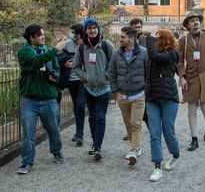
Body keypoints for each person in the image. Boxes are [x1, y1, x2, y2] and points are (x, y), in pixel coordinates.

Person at [17, 24, 67, 175]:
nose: (43, 37)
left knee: (54, 130)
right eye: (40, 35)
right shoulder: (24, 52)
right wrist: (55, 50)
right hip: (29, 101)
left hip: (49, 99)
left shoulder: (46, 51)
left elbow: (57, 68)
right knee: (28, 134)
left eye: (43, 34)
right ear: (31, 37)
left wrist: (55, 76)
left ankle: (57, 152)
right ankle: (27, 162)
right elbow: (35, 62)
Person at [72, 18, 115, 161]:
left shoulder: (106, 44)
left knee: (100, 117)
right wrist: (85, 77)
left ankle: (97, 147)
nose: (92, 30)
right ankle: (95, 143)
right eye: (89, 28)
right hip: (88, 88)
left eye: (94, 27)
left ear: (98, 29)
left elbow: (115, 62)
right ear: (86, 30)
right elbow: (76, 66)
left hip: (104, 88)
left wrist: (107, 75)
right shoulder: (82, 46)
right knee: (91, 117)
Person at [177, 12, 205, 152]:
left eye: (197, 20)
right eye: (192, 21)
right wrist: (182, 77)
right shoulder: (183, 41)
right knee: (191, 110)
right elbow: (179, 62)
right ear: (188, 25)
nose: (196, 23)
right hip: (191, 78)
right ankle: (194, 139)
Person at [108, 26, 148, 166]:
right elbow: (111, 72)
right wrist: (115, 90)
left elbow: (148, 73)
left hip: (138, 94)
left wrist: (146, 91)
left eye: (122, 37)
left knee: (136, 123)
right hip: (122, 95)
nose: (120, 39)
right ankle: (136, 147)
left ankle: (134, 150)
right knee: (128, 124)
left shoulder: (144, 53)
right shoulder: (116, 54)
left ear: (131, 38)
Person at [145, 30, 180, 182]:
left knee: (168, 131)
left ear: (165, 39)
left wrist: (149, 38)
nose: (155, 39)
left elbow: (154, 55)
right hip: (152, 97)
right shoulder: (154, 56)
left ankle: (176, 154)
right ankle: (157, 168)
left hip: (168, 97)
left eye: (158, 37)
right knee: (154, 133)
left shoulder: (172, 54)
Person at [58, 23, 86, 146]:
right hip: (71, 80)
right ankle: (78, 132)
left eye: (74, 32)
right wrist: (64, 63)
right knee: (76, 105)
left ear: (79, 34)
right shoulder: (68, 44)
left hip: (82, 80)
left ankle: (80, 135)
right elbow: (60, 57)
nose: (72, 35)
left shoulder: (86, 45)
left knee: (80, 105)